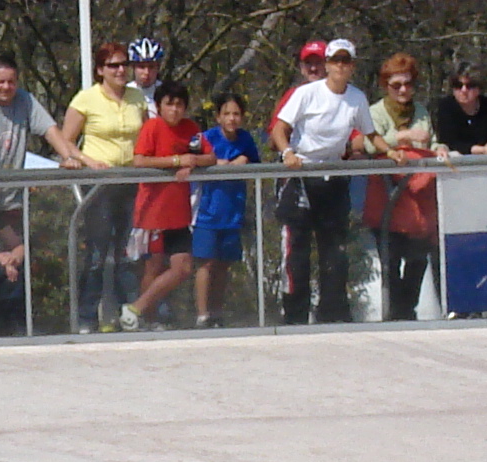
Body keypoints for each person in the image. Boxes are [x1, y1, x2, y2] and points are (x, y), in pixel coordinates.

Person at [270, 38, 370, 325]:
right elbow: (277, 131)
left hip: (332, 179)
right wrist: (289, 152)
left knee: (335, 250)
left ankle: (334, 312)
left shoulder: (352, 97)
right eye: (309, 63)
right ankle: (294, 315)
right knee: (296, 252)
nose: (314, 68)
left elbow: (359, 136)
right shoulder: (299, 94)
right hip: (300, 179)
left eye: (319, 63)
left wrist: (355, 148)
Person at [59, 43, 146, 330]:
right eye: (113, 65)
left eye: (124, 64)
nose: (120, 70)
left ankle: (127, 314)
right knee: (97, 254)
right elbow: (65, 141)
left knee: (127, 253)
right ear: (100, 70)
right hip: (99, 186)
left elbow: (146, 136)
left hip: (131, 183)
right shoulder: (86, 99)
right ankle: (85, 317)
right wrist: (87, 160)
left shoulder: (136, 98)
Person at [122, 82, 207, 330]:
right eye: (169, 104)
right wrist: (176, 161)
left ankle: (136, 309)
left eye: (180, 104)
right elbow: (140, 160)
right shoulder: (152, 127)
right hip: (153, 210)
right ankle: (146, 319)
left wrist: (193, 162)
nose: (174, 109)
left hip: (179, 212)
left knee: (183, 267)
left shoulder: (190, 128)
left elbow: (209, 155)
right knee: (153, 266)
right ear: (159, 106)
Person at [364, 55, 438, 323]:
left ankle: (408, 310)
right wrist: (403, 137)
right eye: (396, 85)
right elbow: (369, 144)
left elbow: (432, 141)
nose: (403, 90)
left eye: (408, 84)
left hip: (419, 202)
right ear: (386, 86)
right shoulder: (375, 112)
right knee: (390, 261)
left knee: (418, 259)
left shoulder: (421, 111)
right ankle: (395, 314)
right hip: (386, 199)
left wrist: (439, 148)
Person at [189, 92, 259, 324]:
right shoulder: (206, 138)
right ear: (218, 116)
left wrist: (243, 160)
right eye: (226, 114)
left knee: (223, 265)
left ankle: (217, 312)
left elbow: (255, 162)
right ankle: (202, 314)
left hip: (233, 212)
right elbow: (191, 159)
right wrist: (213, 162)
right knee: (205, 263)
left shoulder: (245, 139)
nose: (231, 119)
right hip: (207, 212)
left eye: (236, 114)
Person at [0, 54, 89, 176]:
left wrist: (68, 157)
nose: (6, 87)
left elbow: (49, 130)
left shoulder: (25, 100)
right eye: (1, 82)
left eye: (11, 82)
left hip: (12, 184)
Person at [432, 67, 487, 155]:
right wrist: (481, 150)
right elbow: (448, 142)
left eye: (470, 86)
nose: (464, 90)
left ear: (478, 89)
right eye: (458, 85)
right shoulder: (446, 107)